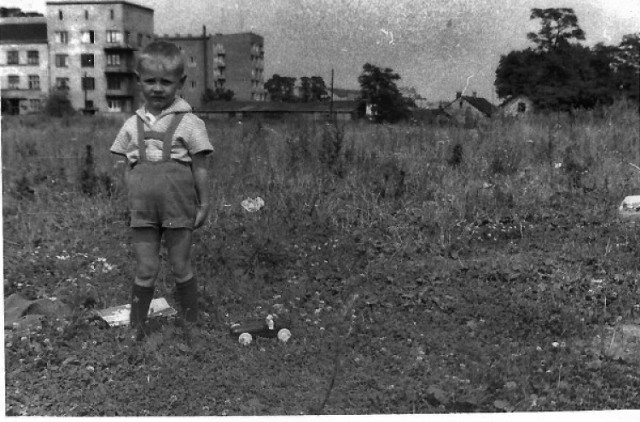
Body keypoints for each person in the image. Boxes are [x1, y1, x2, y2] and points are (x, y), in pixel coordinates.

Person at [110, 40, 213, 340]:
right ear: (139, 80)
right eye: (150, 81)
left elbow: (201, 166)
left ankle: (191, 324)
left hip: (179, 206)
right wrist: (129, 197)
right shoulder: (131, 124)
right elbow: (125, 167)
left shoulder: (191, 123)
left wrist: (203, 203)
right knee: (145, 267)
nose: (157, 88)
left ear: (180, 83)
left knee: (180, 265)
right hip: (143, 209)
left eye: (165, 82)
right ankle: (136, 328)